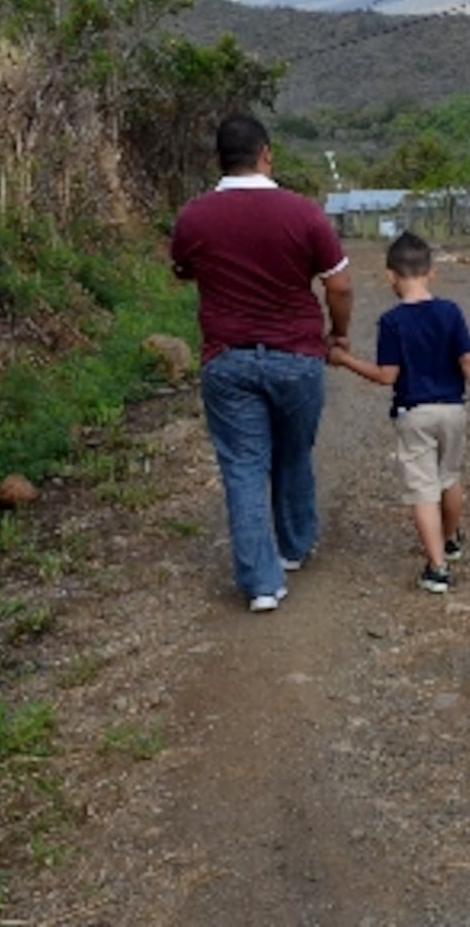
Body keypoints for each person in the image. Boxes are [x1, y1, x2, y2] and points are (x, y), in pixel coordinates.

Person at [170, 113, 353, 613]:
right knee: (294, 451)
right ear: (266, 153)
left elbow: (185, 269)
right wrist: (337, 335)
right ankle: (294, 547)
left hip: (227, 359)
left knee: (244, 467)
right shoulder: (303, 213)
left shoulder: (194, 216)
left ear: (220, 159)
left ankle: (262, 584)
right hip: (297, 356)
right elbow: (338, 284)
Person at [328, 230, 470, 594]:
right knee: (449, 477)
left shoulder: (392, 321)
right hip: (453, 409)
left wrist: (345, 361)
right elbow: (469, 359)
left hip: (414, 412)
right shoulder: (451, 312)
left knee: (423, 489)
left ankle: (437, 569)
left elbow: (387, 376)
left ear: (390, 275)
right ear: (432, 271)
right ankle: (451, 540)